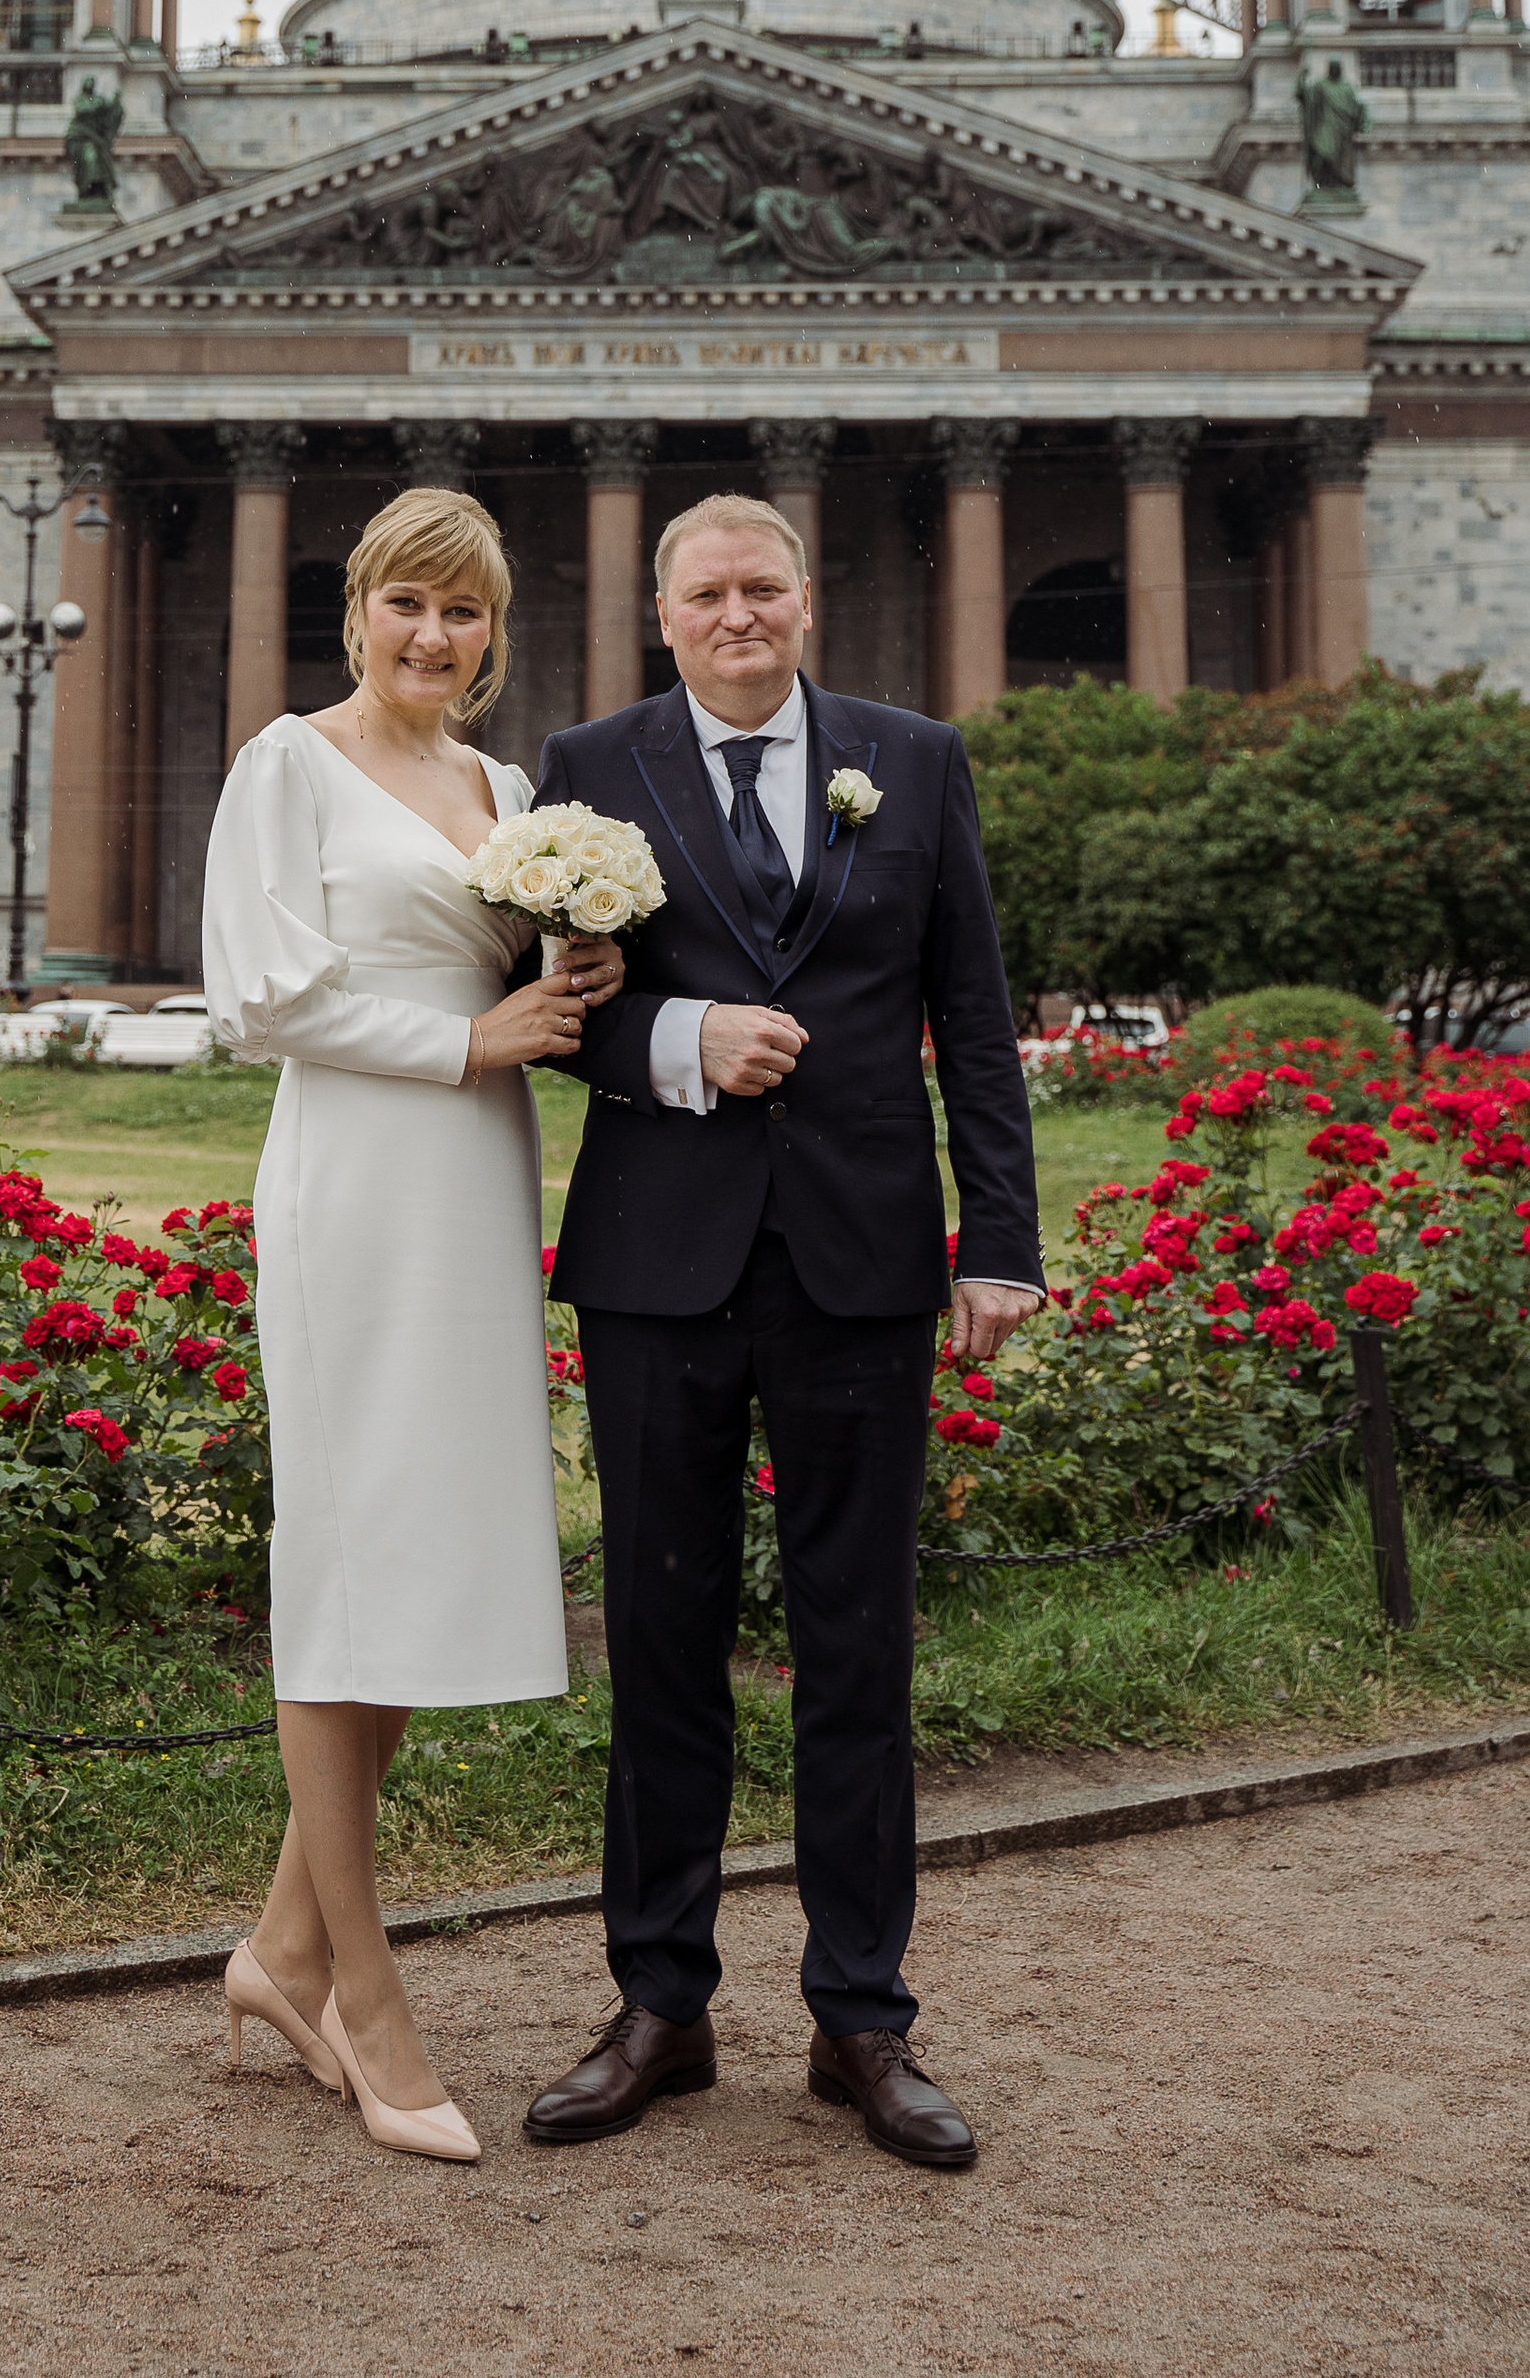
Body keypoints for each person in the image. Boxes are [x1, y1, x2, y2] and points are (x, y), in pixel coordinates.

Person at [525, 494, 1040, 2169]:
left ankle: (863, 2022)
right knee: (663, 1650)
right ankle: (659, 2007)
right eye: (707, 594)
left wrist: (1004, 1248)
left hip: (864, 1263)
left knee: (859, 1650)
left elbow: (973, 1012)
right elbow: (554, 1013)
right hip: (658, 1261)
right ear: (659, 615)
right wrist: (679, 1039)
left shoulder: (917, 757)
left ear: (806, 603)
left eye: (763, 588)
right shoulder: (586, 764)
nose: (737, 615)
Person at [202, 486, 624, 2163]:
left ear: (490, 632)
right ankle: (367, 1999)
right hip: (359, 1169)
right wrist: (469, 1040)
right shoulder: (285, 765)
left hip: (476, 1175)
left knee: (419, 1551)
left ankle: (282, 1954)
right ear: (358, 609)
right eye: (405, 606)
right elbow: (265, 992)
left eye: (463, 613)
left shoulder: (509, 792)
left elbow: (518, 978)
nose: (432, 637)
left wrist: (570, 985)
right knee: (347, 1558)